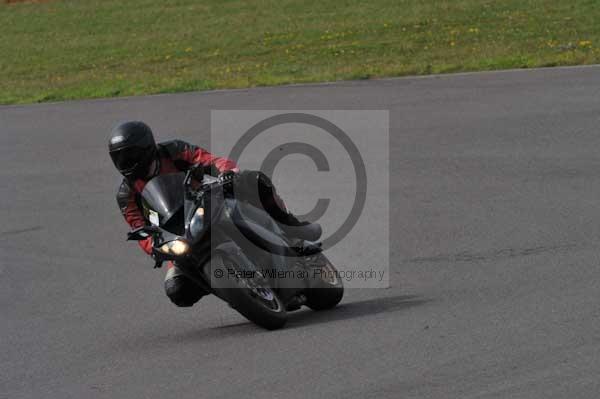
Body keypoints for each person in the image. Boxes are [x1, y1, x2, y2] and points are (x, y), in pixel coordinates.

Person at [109, 121, 320, 307]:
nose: (125, 163)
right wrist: (154, 247)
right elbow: (138, 228)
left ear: (146, 148)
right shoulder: (126, 195)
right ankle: (238, 292)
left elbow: (208, 159)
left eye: (130, 155)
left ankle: (290, 226)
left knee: (254, 181)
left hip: (204, 205)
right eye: (119, 159)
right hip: (179, 238)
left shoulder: (173, 150)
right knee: (177, 290)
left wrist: (226, 173)